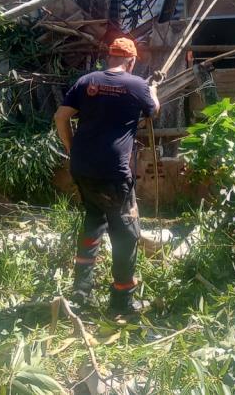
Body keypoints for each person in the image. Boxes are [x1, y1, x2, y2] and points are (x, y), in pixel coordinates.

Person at [54, 37, 160, 315]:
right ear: (131, 61)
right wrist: (154, 90)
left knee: (93, 223)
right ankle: (122, 302)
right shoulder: (137, 85)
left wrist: (71, 148)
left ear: (109, 58)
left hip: (83, 168)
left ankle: (81, 295)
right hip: (113, 173)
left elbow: (60, 117)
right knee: (126, 234)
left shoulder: (87, 81)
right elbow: (153, 111)